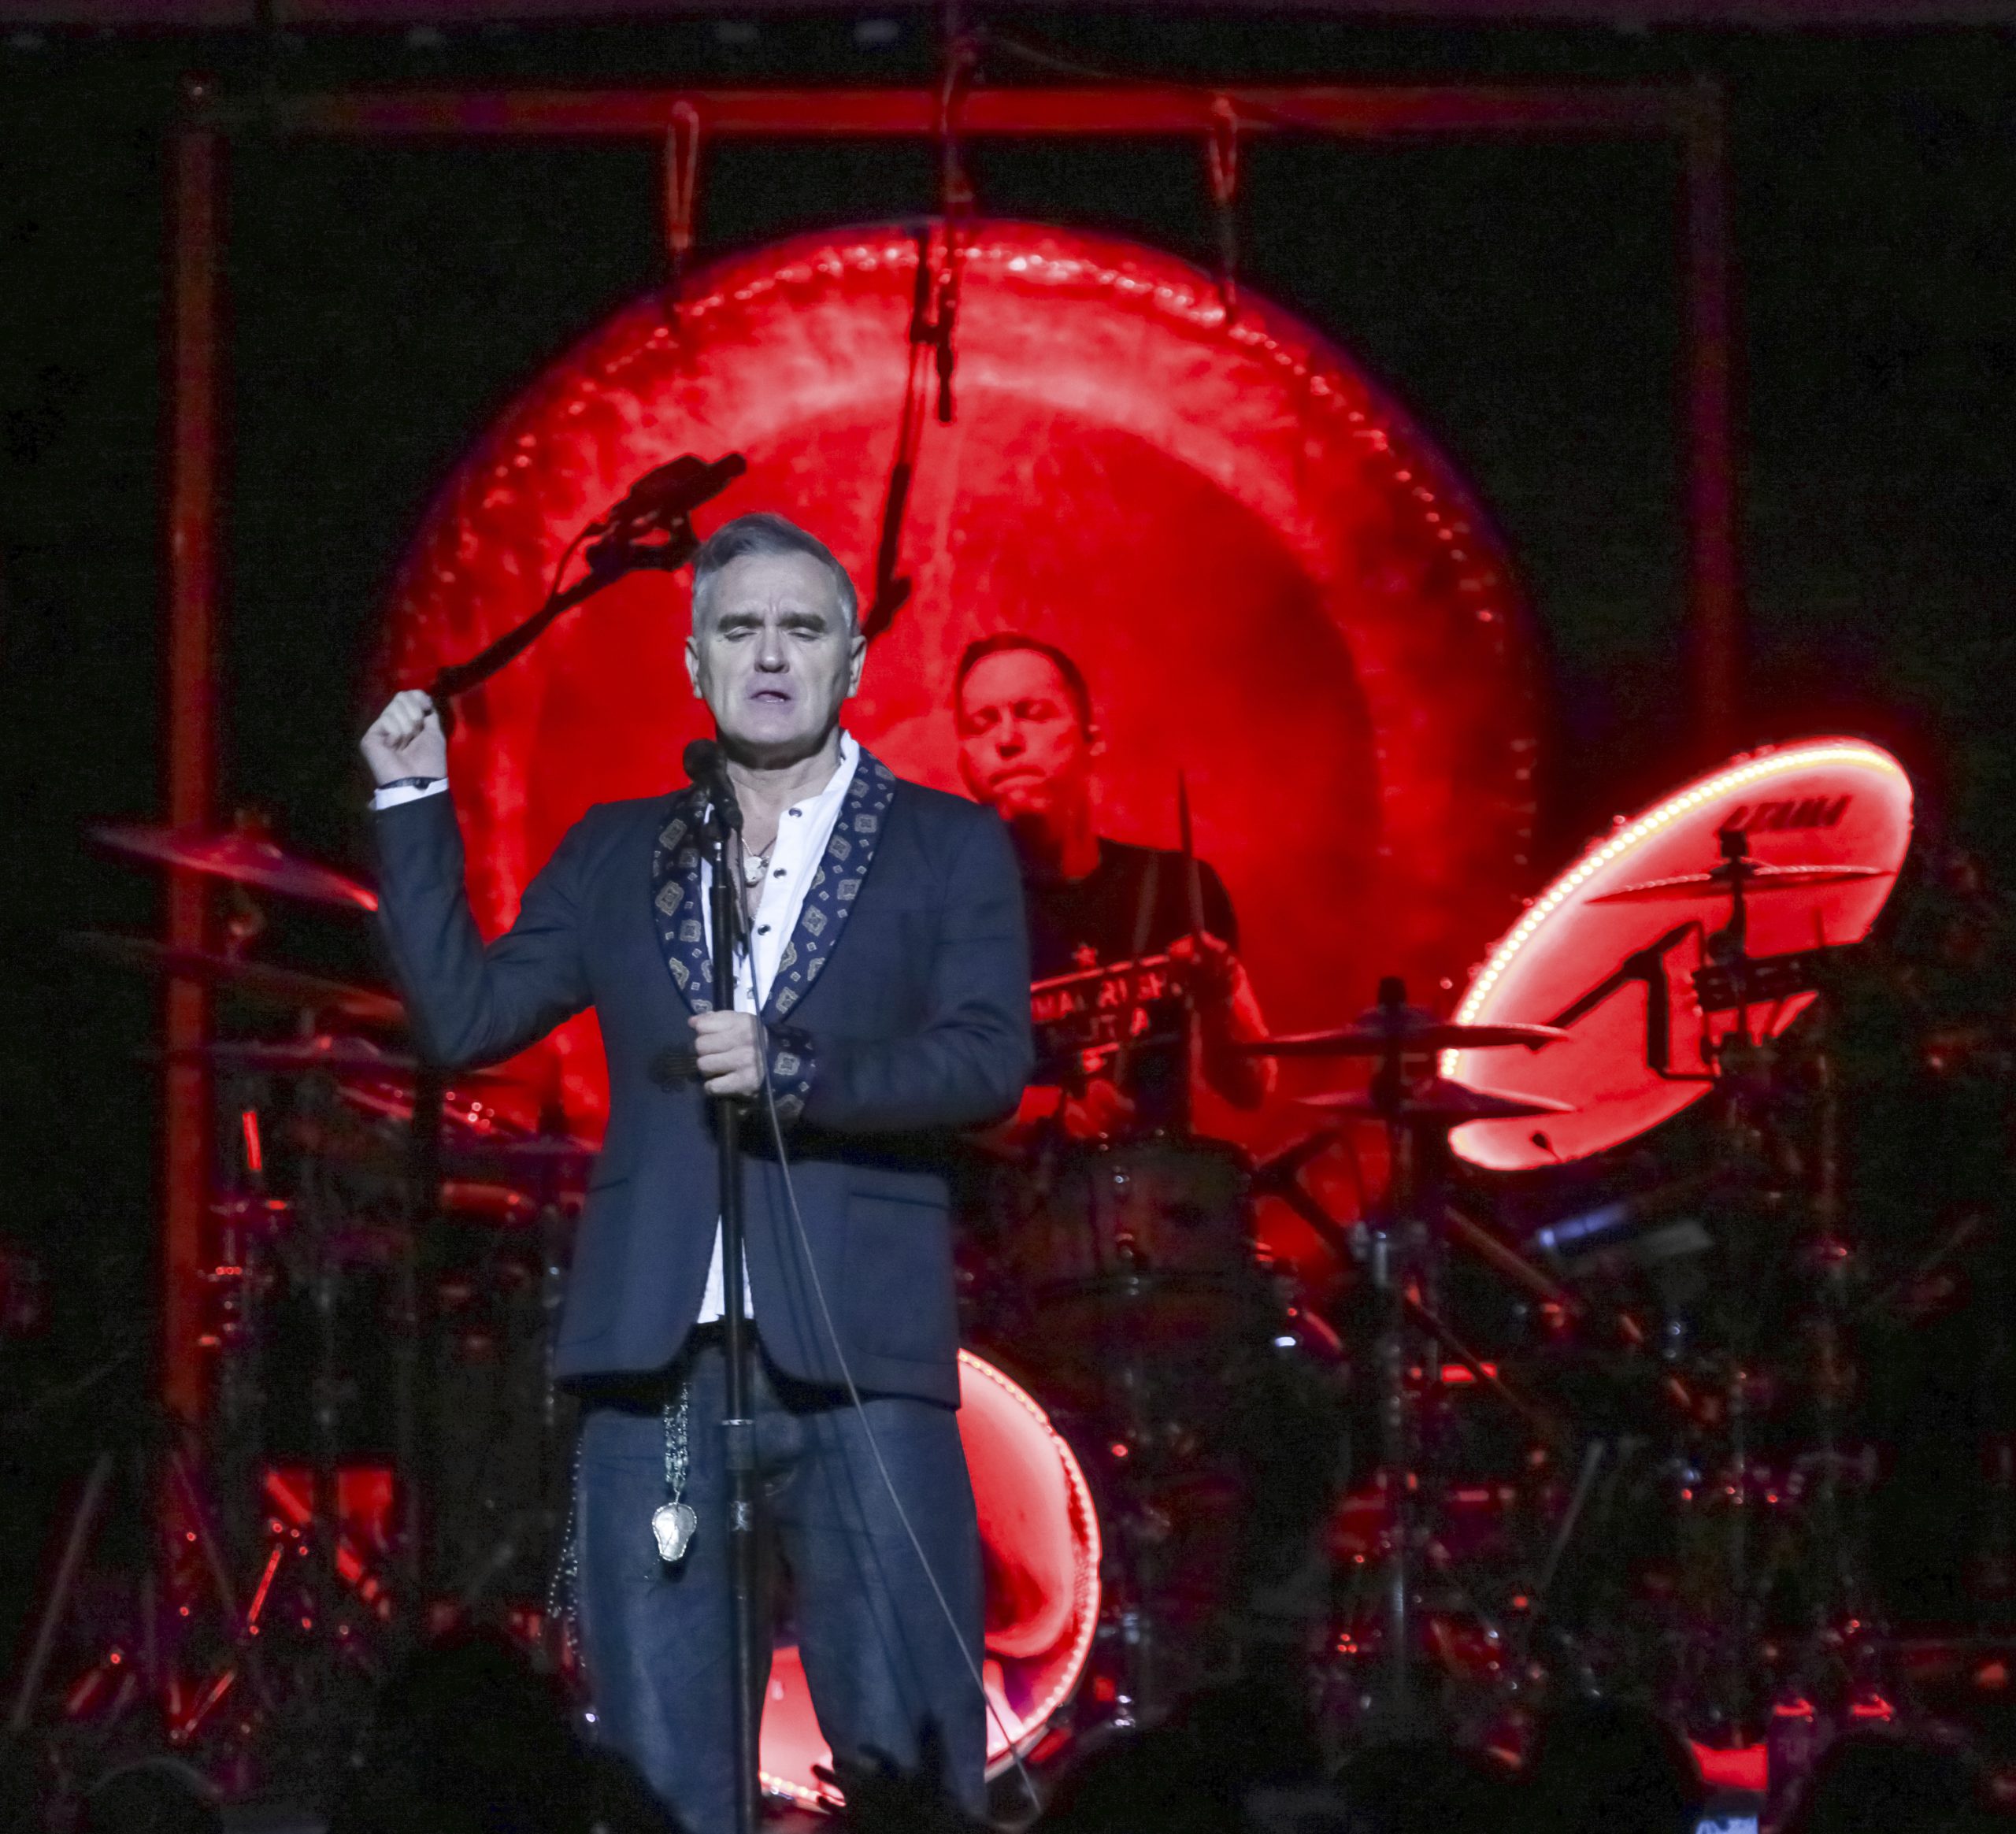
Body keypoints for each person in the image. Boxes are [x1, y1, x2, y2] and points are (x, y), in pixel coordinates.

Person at [360, 513, 1032, 1833]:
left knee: (909, 1762)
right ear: (694, 661)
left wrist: (798, 1068)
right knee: (661, 1771)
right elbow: (464, 1018)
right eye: (740, 628)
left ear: (851, 661)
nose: (770, 654)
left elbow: (987, 1059)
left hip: (861, 1357)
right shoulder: (620, 849)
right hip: (655, 1362)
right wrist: (410, 805)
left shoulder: (945, 843)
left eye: (802, 628)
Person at [952, 632, 1273, 1139]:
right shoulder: (937, 913)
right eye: (982, 723)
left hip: (1157, 1185)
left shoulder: (1176, 887)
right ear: (965, 763)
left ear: (1092, 739)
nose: (1008, 739)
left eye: (1033, 713)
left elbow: (1251, 1089)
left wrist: (1219, 998)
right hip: (1013, 1188)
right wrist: (1036, 1112)